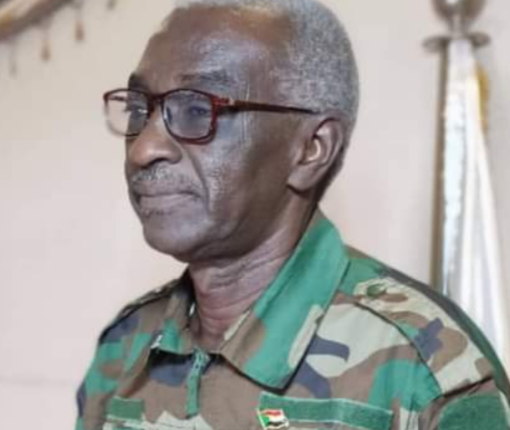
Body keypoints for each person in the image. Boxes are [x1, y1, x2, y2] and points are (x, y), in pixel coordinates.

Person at [76, 0, 510, 429]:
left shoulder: (430, 372)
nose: (143, 149)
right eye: (138, 110)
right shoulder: (125, 347)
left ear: (311, 149)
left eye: (197, 110)